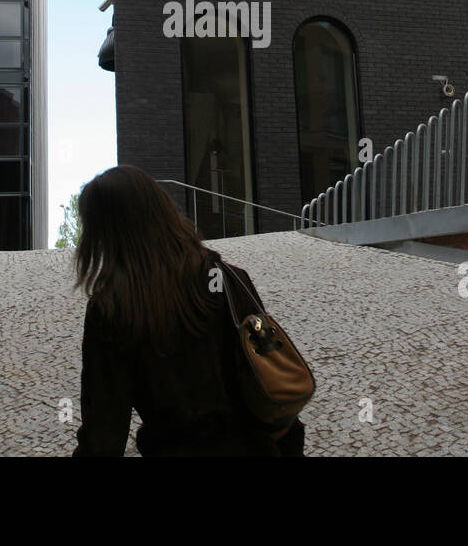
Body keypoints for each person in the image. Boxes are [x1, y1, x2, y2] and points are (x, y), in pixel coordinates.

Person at [71, 165, 305, 456]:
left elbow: (103, 434)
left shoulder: (112, 309)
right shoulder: (229, 280)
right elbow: (270, 371)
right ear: (163, 210)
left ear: (103, 234)